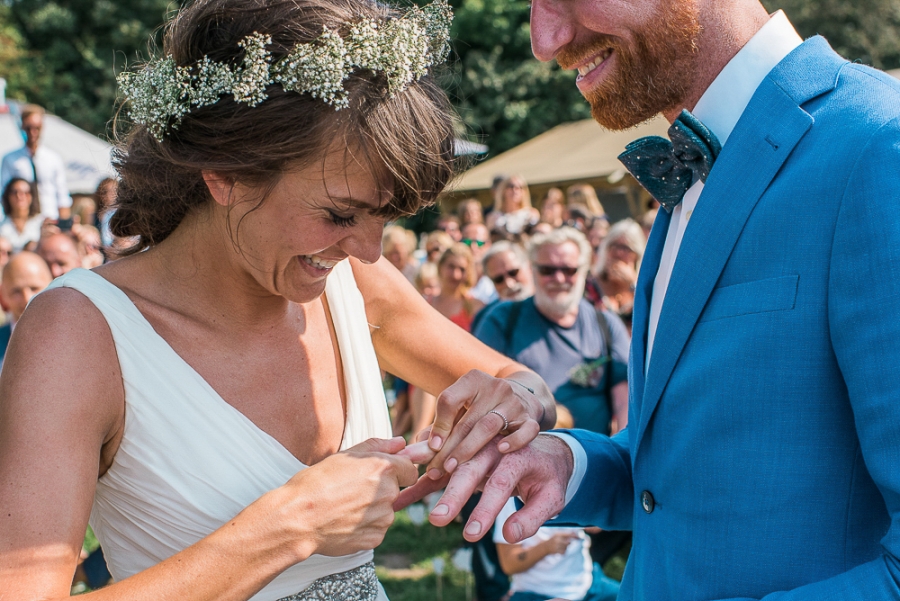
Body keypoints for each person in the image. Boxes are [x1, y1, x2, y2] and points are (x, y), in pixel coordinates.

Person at [0, 2, 558, 600]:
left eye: (384, 218)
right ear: (226, 174)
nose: (369, 252)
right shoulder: (78, 333)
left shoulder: (351, 285)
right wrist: (291, 525)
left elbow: (521, 382)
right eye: (340, 214)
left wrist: (516, 402)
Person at [407, 1, 900, 600]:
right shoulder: (688, 165)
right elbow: (680, 470)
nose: (544, 39)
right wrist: (567, 463)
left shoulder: (879, 148)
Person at [473, 227, 629, 437]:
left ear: (584, 270)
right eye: (547, 270)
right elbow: (479, 389)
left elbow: (625, 402)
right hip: (518, 454)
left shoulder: (607, 325)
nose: (559, 278)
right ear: (532, 270)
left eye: (568, 270)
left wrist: (622, 454)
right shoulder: (501, 320)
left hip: (592, 458)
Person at [0, 104, 73, 220]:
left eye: (37, 128)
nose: (33, 132)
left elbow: (62, 196)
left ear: (42, 127)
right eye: (28, 128)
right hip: (23, 222)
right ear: (22, 127)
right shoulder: (10, 159)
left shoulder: (53, 158)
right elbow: (4, 194)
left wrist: (64, 225)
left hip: (50, 220)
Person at [0, 251, 52, 364]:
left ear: (52, 286)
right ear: (3, 293)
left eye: (34, 288)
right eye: (16, 291)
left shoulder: (72, 338)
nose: (27, 298)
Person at [0, 178, 44, 252]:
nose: (20, 196)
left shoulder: (42, 223)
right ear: (8, 196)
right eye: (15, 192)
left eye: (25, 192)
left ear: (32, 196)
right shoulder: (2, 226)